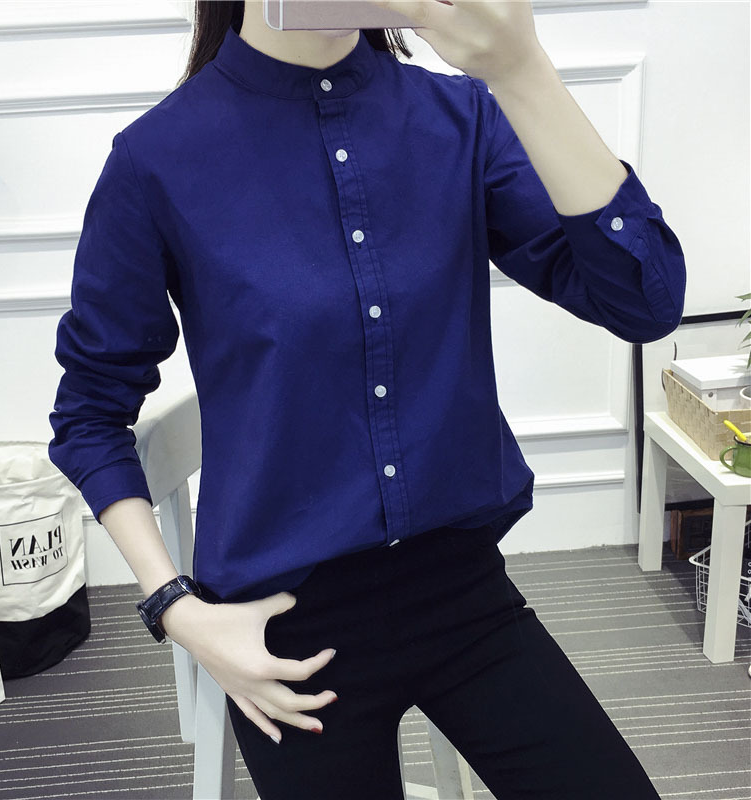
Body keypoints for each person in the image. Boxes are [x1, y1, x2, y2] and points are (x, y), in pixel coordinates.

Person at [48, 1, 685, 798]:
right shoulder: (157, 159)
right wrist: (175, 607)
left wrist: (524, 70)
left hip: (460, 589)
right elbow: (90, 413)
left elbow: (643, 302)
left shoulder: (460, 117)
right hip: (282, 627)